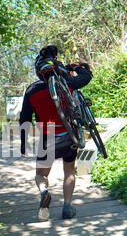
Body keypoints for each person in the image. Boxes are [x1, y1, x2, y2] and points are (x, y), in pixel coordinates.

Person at [19, 45, 93, 221]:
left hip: (48, 138)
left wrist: (24, 142)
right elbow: (85, 77)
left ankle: (44, 192)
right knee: (69, 172)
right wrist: (75, 67)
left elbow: (25, 118)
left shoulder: (31, 90)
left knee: (41, 175)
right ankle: (67, 208)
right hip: (70, 135)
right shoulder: (66, 83)